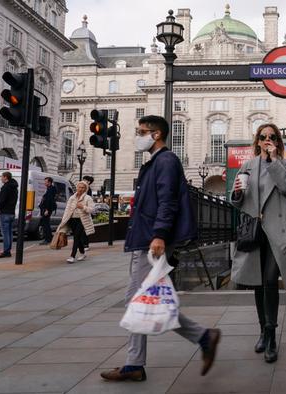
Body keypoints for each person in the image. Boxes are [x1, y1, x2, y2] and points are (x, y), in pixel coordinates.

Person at [101, 115, 220, 381]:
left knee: (137, 301)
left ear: (156, 135)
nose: (138, 136)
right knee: (146, 301)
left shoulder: (165, 161)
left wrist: (159, 235)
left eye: (142, 131)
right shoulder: (156, 163)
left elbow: (167, 201)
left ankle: (135, 364)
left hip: (151, 241)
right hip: (145, 238)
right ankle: (201, 337)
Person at [231, 123, 286, 363]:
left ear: (278, 142)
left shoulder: (284, 165)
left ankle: (272, 335)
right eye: (263, 137)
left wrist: (273, 161)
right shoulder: (248, 166)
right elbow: (238, 201)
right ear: (257, 141)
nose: (267, 140)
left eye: (272, 137)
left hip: (278, 230)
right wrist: (236, 194)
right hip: (254, 230)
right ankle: (263, 330)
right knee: (257, 282)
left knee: (271, 279)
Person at [56, 181, 94, 263]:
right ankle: (83, 253)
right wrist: (64, 219)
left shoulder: (88, 198)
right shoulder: (72, 198)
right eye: (79, 187)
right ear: (76, 188)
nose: (80, 189)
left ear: (85, 189)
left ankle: (72, 256)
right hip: (72, 219)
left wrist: (83, 207)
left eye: (83, 187)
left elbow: (91, 209)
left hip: (82, 220)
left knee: (76, 237)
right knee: (78, 237)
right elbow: (67, 209)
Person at [0, 171, 18, 258]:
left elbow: (2, 200)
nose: (1, 178)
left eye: (2, 177)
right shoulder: (14, 187)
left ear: (5, 177)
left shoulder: (5, 187)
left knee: (5, 233)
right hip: (11, 212)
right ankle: (8, 250)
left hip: (5, 213)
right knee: (10, 233)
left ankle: (6, 251)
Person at [38, 177, 57, 245]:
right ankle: (49, 237)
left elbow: (49, 200)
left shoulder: (51, 189)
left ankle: (47, 239)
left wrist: (47, 210)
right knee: (45, 223)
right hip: (45, 208)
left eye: (46, 182)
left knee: (45, 224)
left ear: (49, 182)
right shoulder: (49, 189)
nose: (44, 183)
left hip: (47, 209)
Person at [81, 176, 94, 251]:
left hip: (85, 211)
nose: (83, 181)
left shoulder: (88, 190)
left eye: (85, 180)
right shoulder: (84, 189)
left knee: (84, 229)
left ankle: (85, 244)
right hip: (81, 210)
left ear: (88, 182)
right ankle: (83, 244)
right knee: (81, 229)